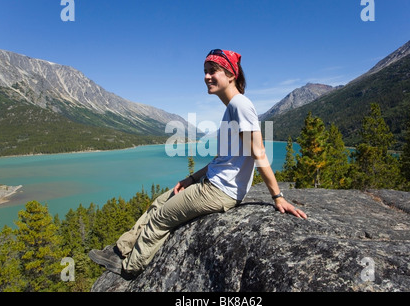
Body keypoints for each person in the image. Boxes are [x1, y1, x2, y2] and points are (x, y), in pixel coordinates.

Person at [89, 49, 307, 278]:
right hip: (211, 182)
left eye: (213, 71)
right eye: (205, 72)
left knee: (161, 217)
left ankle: (130, 268)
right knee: (159, 202)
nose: (206, 77)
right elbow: (223, 160)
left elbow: (259, 152)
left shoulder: (240, 105)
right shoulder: (231, 108)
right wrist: (191, 178)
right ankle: (120, 250)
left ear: (231, 75)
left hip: (220, 190)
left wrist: (277, 196)